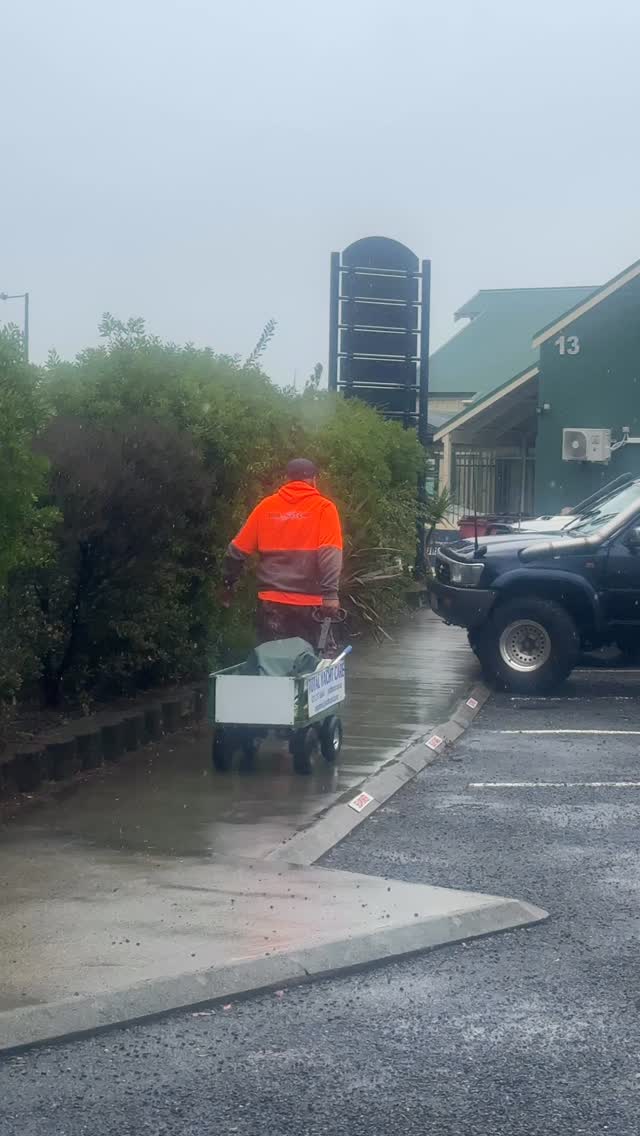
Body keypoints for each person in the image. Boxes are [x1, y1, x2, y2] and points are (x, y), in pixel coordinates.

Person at [222, 458, 343, 644]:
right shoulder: (324, 508)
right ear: (314, 479)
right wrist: (330, 595)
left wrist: (228, 584)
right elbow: (330, 555)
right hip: (309, 605)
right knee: (309, 663)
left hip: (271, 603)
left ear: (287, 479)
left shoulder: (266, 507)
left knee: (272, 663)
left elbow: (236, 551)